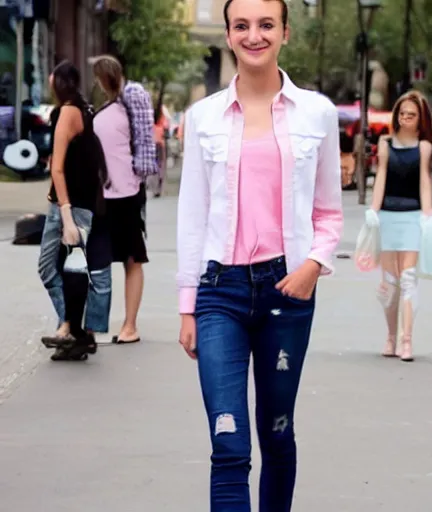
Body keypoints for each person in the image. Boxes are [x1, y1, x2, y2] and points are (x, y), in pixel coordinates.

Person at [176, 0, 343, 509]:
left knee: (276, 432)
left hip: (286, 291)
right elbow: (192, 213)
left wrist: (313, 266)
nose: (254, 35)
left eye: (266, 24)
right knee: (228, 444)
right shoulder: (202, 117)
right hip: (218, 294)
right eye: (242, 25)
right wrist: (187, 305)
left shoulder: (318, 112)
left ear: (284, 32)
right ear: (228, 35)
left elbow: (329, 212)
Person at [38, 60, 110, 361]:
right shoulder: (85, 110)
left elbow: (57, 167)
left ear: (59, 82)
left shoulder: (67, 111)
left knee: (50, 268)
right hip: (81, 203)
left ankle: (72, 328)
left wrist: (65, 213)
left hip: (69, 206)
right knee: (69, 270)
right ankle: (73, 331)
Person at [89, 54, 155, 345]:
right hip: (128, 193)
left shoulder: (109, 112)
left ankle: (95, 326)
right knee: (132, 260)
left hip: (109, 196)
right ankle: (129, 326)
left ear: (102, 80)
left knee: (99, 262)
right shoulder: (123, 108)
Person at [369, 90, 432, 362]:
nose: (406, 118)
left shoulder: (424, 147)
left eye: (412, 115)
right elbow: (381, 176)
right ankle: (390, 336)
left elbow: (424, 181)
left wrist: (428, 216)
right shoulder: (385, 144)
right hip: (387, 215)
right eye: (403, 114)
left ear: (420, 120)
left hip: (412, 215)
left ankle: (407, 340)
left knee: (408, 279)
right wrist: (372, 211)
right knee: (390, 282)